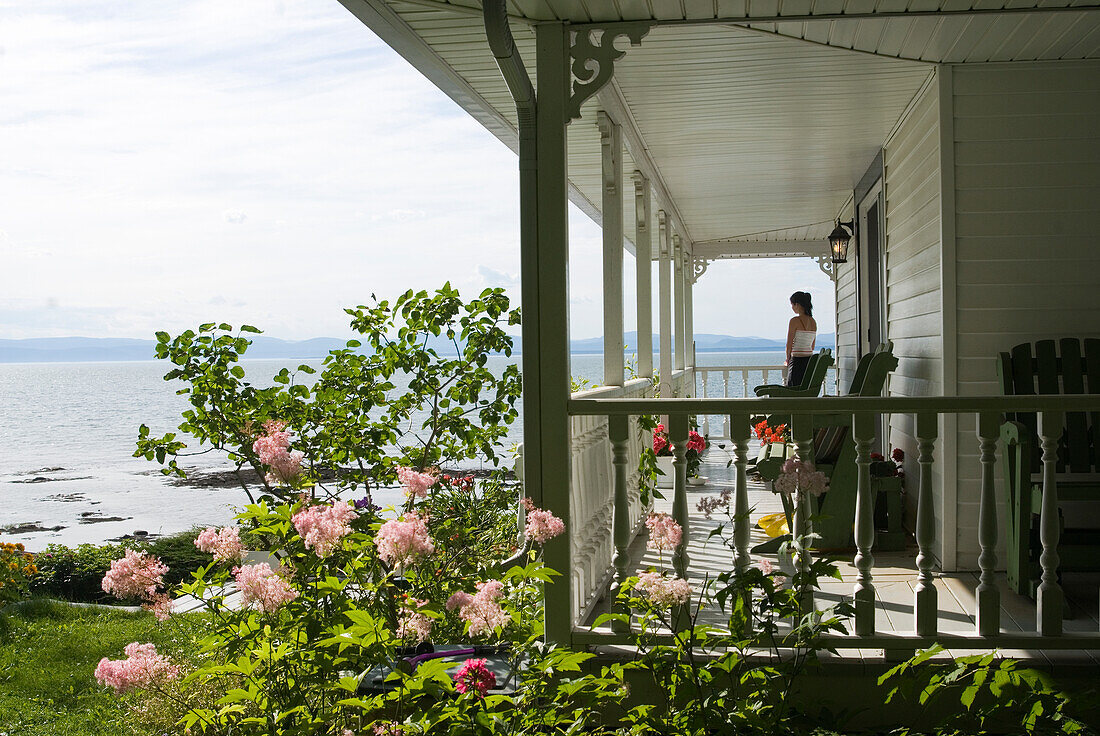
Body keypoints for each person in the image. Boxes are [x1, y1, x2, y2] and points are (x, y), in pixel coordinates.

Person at [785, 291, 817, 388]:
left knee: (793, 389)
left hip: (797, 362)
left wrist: (788, 359)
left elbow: (789, 344)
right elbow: (812, 345)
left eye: (792, 304)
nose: (792, 307)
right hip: (809, 361)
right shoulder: (813, 321)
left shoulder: (794, 321)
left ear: (797, 304)